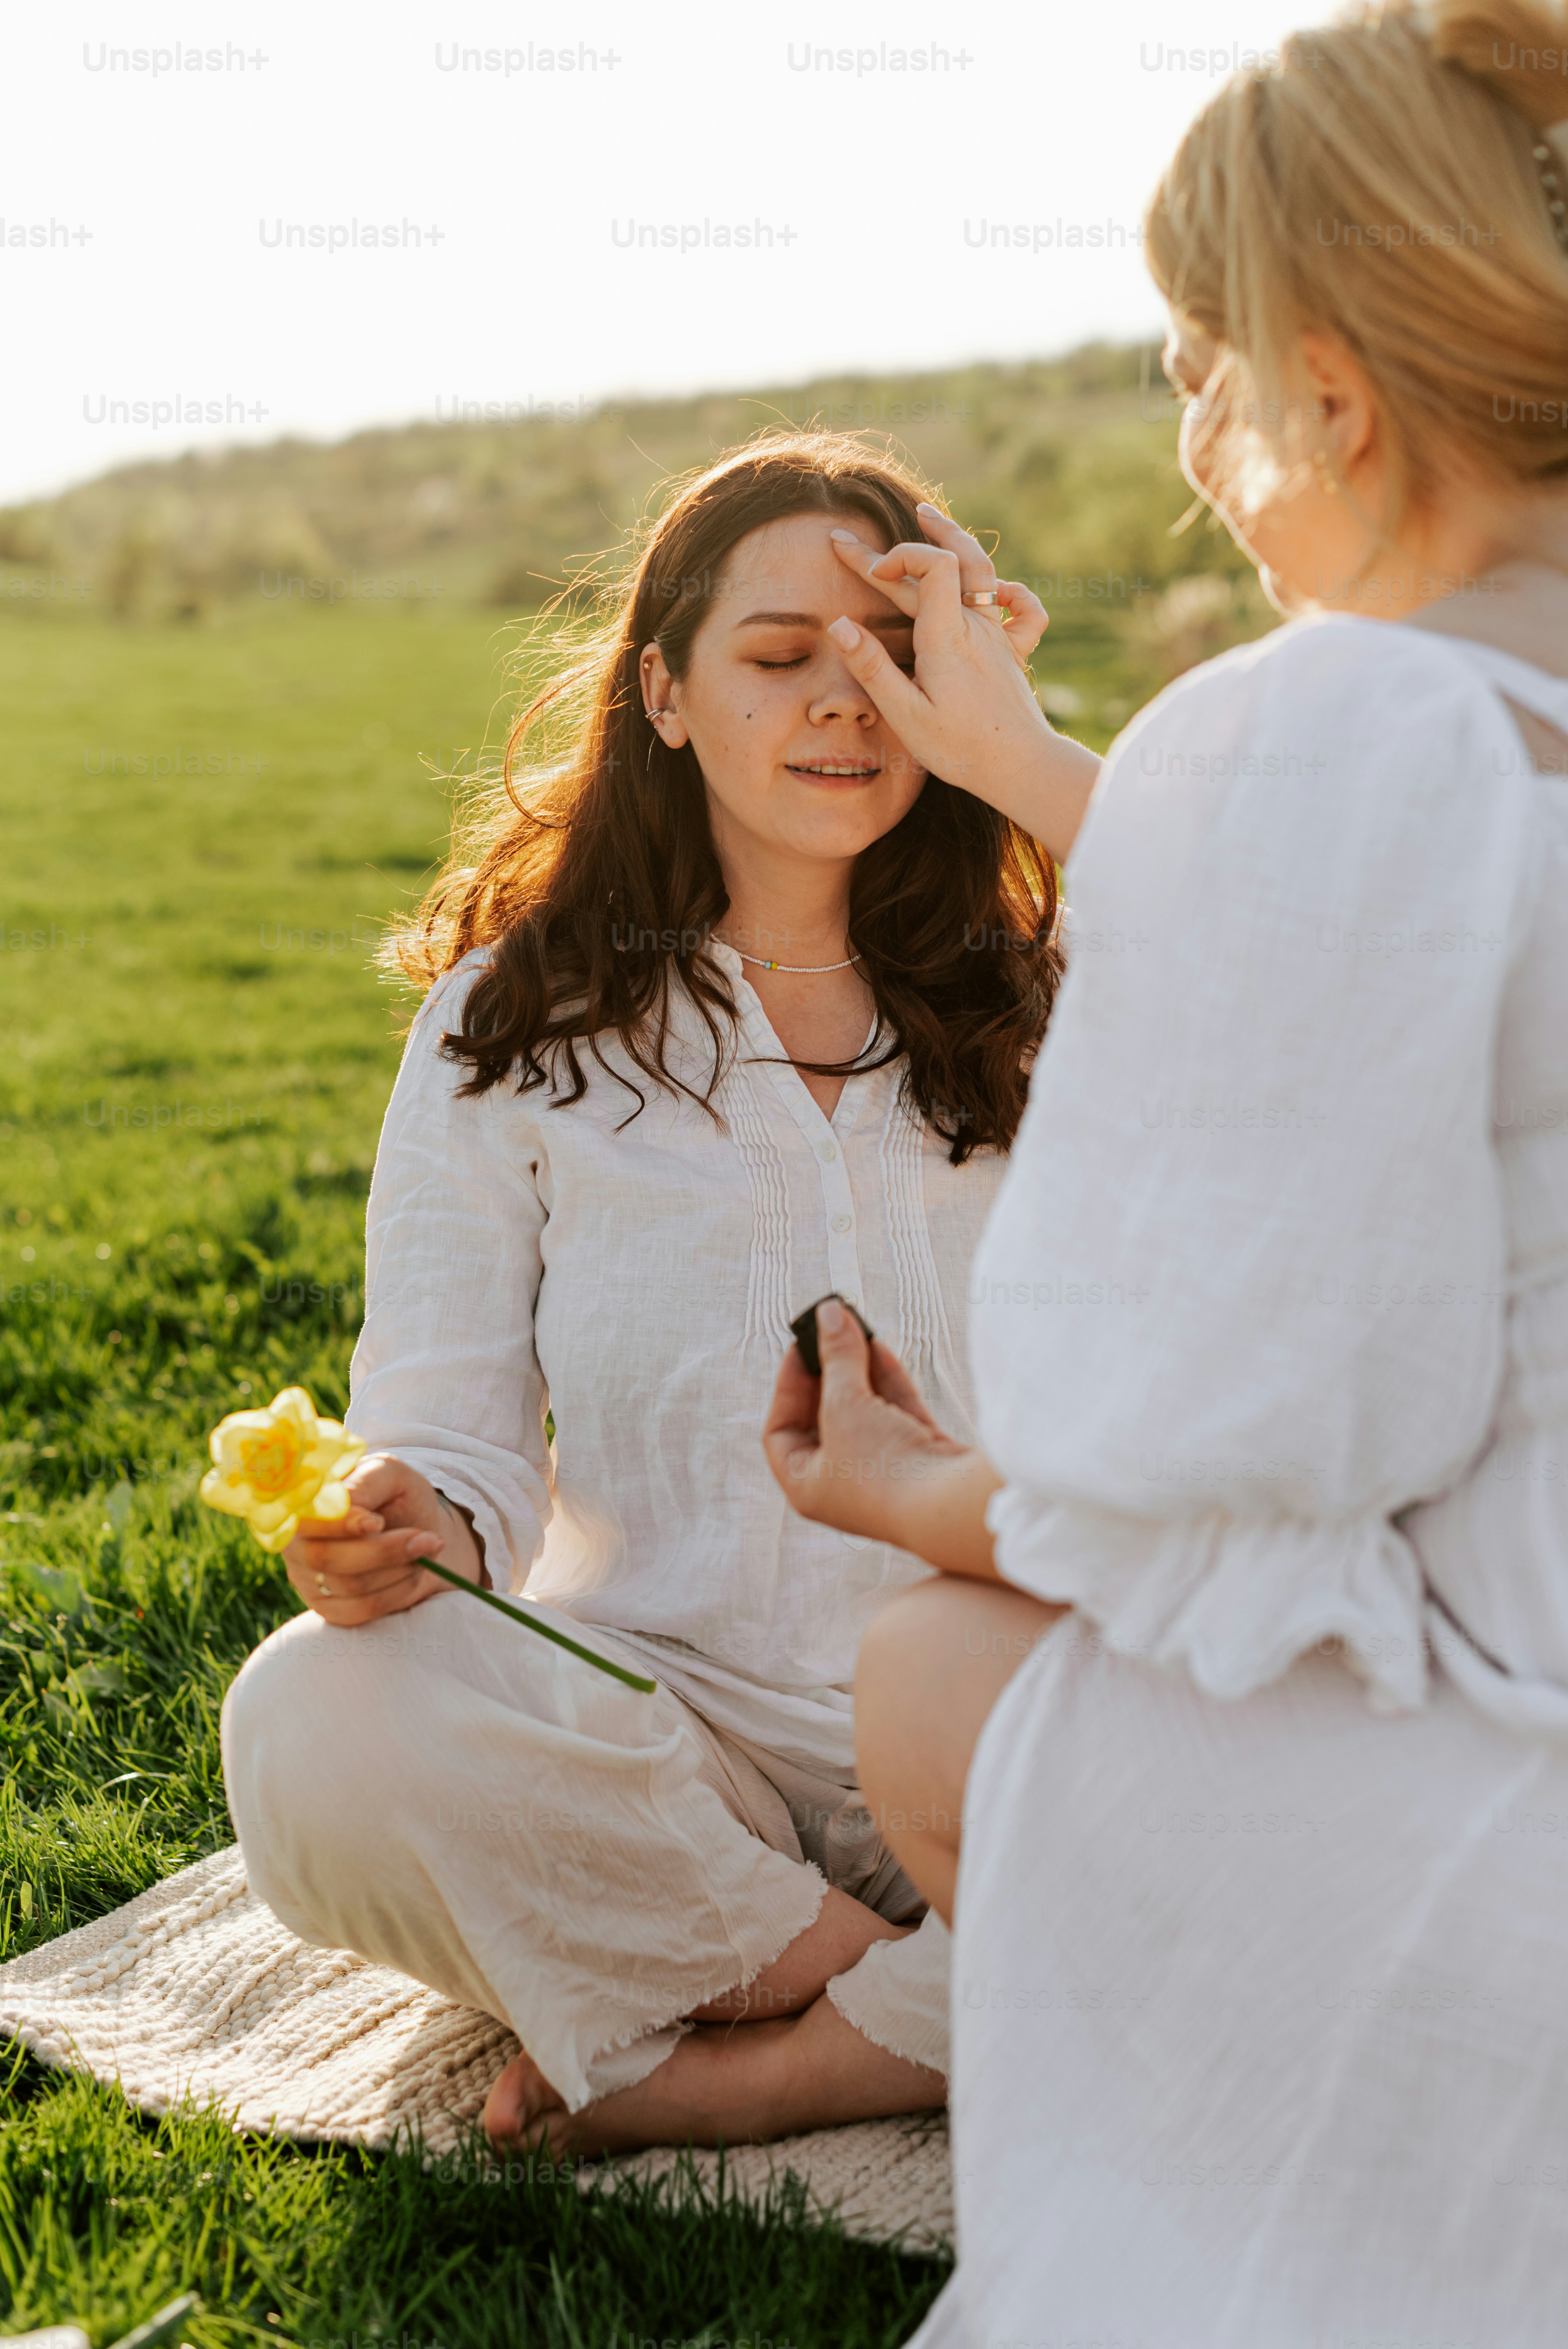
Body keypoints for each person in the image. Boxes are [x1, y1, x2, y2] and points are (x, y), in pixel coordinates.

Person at [766, 1, 1568, 2339]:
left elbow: (1229, 1453)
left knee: (929, 1673)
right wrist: (1042, 770)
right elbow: (1433, 940)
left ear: (1331, 387)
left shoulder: (1309, 722)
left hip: (1510, 1759)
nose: (1200, 446)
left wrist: (927, 1492)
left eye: (1198, 371)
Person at [219, 433, 1099, 2155]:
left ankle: (771, 2065)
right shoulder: (514, 1026)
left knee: (1285, 1736)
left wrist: (1015, 736)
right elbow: (449, 1427)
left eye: (889, 655)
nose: (843, 705)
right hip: (663, 1744)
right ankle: (877, 1972)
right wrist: (407, 1527)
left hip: (992, 1701)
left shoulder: (1061, 996)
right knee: (311, 1720)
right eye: (782, 657)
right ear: (665, 694)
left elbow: (1293, 948)